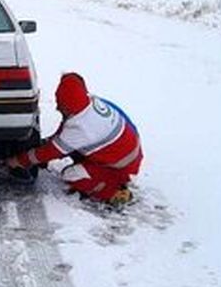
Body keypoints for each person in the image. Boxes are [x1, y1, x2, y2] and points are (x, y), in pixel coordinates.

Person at [7, 72, 143, 206]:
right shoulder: (90, 103)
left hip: (121, 164)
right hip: (125, 150)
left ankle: (114, 190)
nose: (57, 107)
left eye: (60, 104)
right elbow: (64, 133)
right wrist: (47, 143)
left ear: (68, 107)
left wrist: (19, 161)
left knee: (71, 175)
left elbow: (51, 151)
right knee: (70, 146)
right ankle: (109, 175)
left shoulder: (81, 127)